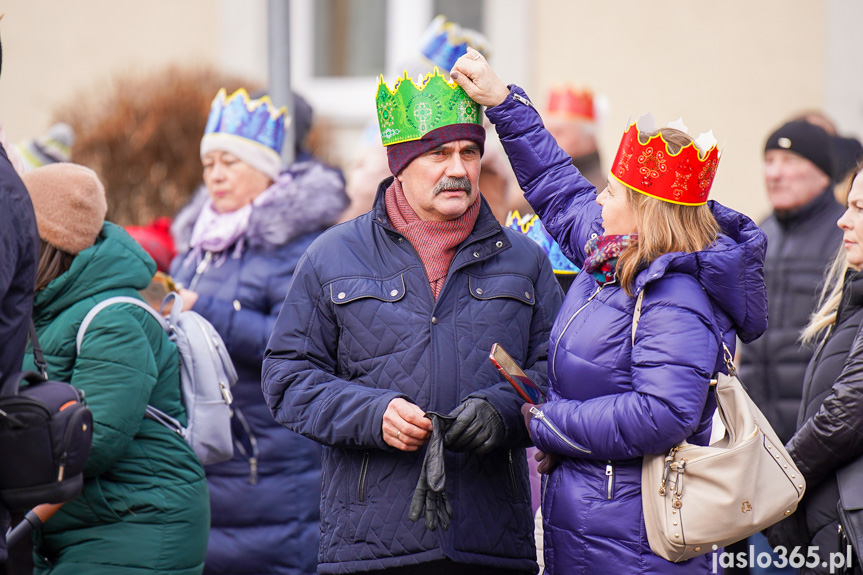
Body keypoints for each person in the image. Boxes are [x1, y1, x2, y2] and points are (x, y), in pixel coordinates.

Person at [449, 49, 768, 574]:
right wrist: (503, 103)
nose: (599, 197)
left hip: (636, 543)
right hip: (596, 527)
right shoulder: (614, 256)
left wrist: (550, 424)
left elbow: (662, 413)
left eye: (613, 191)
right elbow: (557, 187)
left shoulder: (676, 294)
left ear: (645, 213)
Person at [262, 67, 562, 574]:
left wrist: (503, 412)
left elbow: (561, 373)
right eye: (438, 153)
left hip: (489, 544)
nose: (459, 169)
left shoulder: (525, 259)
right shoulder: (332, 255)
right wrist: (371, 414)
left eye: (469, 152)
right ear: (400, 163)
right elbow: (286, 378)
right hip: (369, 546)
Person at [169, 88, 347, 575]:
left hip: (269, 462)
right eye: (209, 164)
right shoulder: (198, 243)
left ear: (267, 168)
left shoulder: (298, 246)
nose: (216, 176)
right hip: (211, 455)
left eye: (230, 162)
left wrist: (201, 309)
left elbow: (299, 345)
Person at [19, 163, 209, 574]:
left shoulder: (115, 316)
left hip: (137, 522)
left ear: (45, 243)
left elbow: (95, 441)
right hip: (78, 523)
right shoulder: (46, 310)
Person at [765, 162, 863, 575]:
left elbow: (848, 411)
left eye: (860, 208)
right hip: (829, 530)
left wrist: (776, 482)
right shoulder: (853, 299)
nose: (843, 220)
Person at [739, 119, 844, 445]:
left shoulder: (845, 235)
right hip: (759, 427)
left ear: (823, 173)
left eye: (789, 162)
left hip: (822, 427)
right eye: (769, 161)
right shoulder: (759, 232)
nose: (774, 173)